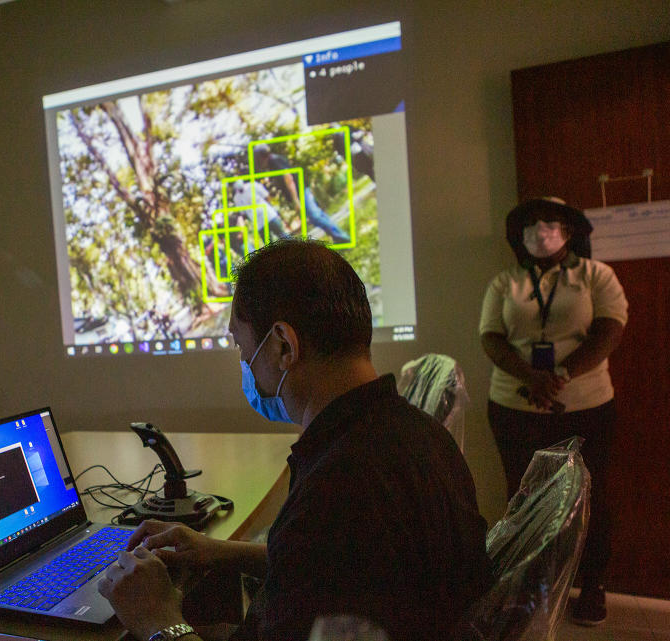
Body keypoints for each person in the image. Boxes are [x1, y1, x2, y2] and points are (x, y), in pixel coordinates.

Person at [99, 238, 493, 641]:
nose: (242, 361)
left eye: (241, 344)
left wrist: (158, 620)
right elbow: (339, 568)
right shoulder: (415, 434)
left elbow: (327, 546)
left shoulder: (337, 489)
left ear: (283, 345)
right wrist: (220, 550)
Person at [479, 197, 628, 626]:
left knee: (590, 495)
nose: (541, 230)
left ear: (568, 230)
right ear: (518, 235)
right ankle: (528, 587)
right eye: (531, 224)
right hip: (513, 406)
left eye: (551, 222)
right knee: (524, 496)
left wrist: (560, 374)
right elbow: (491, 337)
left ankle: (592, 584)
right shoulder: (503, 282)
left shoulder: (597, 276)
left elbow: (610, 330)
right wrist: (532, 377)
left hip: (586, 406)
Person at [253, 143, 351, 244]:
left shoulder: (273, 161)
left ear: (262, 155)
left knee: (315, 217)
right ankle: (339, 237)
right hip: (300, 191)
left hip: (300, 192)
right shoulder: (273, 162)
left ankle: (342, 238)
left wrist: (296, 200)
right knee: (318, 216)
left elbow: (288, 178)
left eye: (258, 158)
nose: (258, 161)